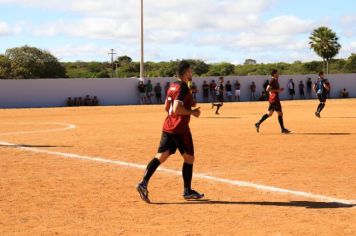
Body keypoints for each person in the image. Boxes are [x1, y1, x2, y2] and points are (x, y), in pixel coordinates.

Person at [136, 61, 204, 203]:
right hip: (180, 128)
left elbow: (167, 108)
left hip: (168, 126)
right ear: (186, 73)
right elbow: (176, 108)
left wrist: (186, 107)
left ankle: (143, 182)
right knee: (189, 158)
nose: (192, 73)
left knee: (161, 156)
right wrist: (191, 112)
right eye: (190, 71)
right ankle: (187, 191)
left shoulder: (172, 86)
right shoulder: (183, 87)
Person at [255, 69, 291, 134]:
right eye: (277, 73)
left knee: (270, 113)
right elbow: (267, 89)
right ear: (274, 74)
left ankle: (258, 123)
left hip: (273, 99)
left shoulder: (275, 80)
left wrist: (278, 90)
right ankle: (282, 129)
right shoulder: (272, 80)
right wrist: (278, 90)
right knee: (280, 113)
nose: (278, 74)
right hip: (274, 100)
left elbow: (271, 90)